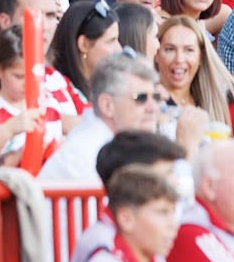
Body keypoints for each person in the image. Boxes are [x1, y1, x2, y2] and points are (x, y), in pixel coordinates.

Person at [39, 52, 163, 182]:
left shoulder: (116, 142)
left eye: (155, 97)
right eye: (141, 98)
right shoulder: (86, 153)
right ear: (108, 105)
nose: (153, 107)